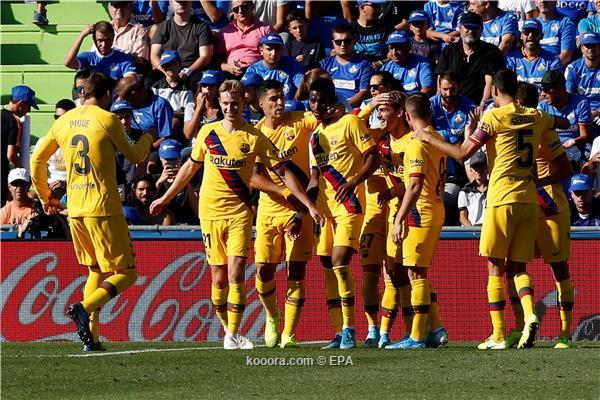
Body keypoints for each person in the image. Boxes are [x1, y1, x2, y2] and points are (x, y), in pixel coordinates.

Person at [149, 80, 322, 350]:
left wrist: (307, 204)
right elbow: (189, 169)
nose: (230, 108)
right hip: (210, 213)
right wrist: (165, 197)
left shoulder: (254, 136)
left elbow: (282, 171)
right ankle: (229, 330)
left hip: (240, 212)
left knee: (236, 271)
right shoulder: (208, 133)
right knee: (218, 278)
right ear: (219, 104)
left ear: (244, 103)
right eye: (226, 103)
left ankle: (233, 333)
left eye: (235, 103)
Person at [411, 70, 571, 350]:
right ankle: (529, 316)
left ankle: (498, 335)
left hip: (501, 199)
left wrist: (428, 138)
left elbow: (462, 154)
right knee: (518, 267)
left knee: (495, 267)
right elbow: (564, 121)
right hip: (528, 200)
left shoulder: (494, 117)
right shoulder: (536, 115)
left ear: (495, 91)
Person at [30, 72, 154, 351]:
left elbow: (37, 158)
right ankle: (84, 308)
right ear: (107, 94)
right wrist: (148, 137)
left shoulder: (63, 121)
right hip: (104, 208)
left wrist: (45, 196)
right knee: (127, 273)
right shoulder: (107, 119)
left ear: (82, 93)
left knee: (95, 270)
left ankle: (92, 339)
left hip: (75, 209)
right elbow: (135, 155)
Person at [307, 77, 381, 350]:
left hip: (349, 205)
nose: (316, 106)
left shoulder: (350, 123)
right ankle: (338, 331)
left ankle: (350, 328)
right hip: (325, 210)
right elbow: (315, 177)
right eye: (312, 100)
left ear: (332, 100)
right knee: (328, 267)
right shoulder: (316, 136)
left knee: (340, 261)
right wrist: (305, 207)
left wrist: (353, 182)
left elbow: (374, 156)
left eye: (321, 100)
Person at [505, 80, 575, 349]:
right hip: (524, 205)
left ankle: (565, 334)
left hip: (549, 207)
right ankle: (522, 327)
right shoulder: (510, 131)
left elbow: (566, 169)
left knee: (559, 269)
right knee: (514, 267)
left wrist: (538, 183)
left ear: (520, 103)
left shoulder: (545, 131)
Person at [250, 80, 320, 348]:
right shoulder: (256, 134)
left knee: (296, 270)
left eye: (282, 97)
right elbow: (253, 178)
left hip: (300, 209)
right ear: (261, 104)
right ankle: (272, 316)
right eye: (273, 99)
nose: (280, 103)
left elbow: (328, 116)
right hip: (270, 210)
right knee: (264, 270)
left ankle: (289, 333)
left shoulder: (300, 120)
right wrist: (284, 193)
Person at [386, 93, 447, 350]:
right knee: (419, 270)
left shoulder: (416, 143)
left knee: (415, 272)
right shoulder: (438, 137)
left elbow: (414, 185)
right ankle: (436, 329)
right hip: (436, 206)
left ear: (408, 117)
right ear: (430, 114)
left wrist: (399, 218)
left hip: (420, 210)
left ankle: (416, 336)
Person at [357, 90, 415, 348]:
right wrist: (370, 106)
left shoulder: (409, 140)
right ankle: (372, 328)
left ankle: (394, 331)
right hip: (372, 213)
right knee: (369, 274)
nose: (379, 114)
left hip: (396, 210)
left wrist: (393, 192)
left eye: (384, 108)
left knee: (395, 272)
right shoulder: (374, 135)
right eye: (378, 108)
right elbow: (352, 125)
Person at [430, 71, 477, 225]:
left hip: (462, 166)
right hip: (437, 165)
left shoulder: (469, 107)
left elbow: (471, 144)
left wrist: (444, 139)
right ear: (439, 87)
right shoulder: (431, 106)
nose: (449, 94)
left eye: (452, 89)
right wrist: (453, 141)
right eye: (445, 89)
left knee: (450, 200)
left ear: (459, 87)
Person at [435, 12, 505, 107]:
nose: (471, 31)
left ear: (481, 29)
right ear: (460, 28)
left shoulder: (492, 52)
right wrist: (439, 105)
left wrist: (482, 105)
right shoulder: (449, 50)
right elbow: (441, 80)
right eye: (467, 27)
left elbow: (490, 82)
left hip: (479, 106)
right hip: (451, 104)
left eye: (475, 28)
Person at [539, 70, 593, 168]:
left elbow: (584, 135)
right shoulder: (542, 107)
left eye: (546, 89)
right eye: (541, 89)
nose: (542, 94)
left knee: (588, 153)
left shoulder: (581, 103)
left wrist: (574, 141)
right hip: (551, 147)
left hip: (575, 145)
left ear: (560, 89)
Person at [215, 0, 275, 79]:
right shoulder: (225, 32)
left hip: (258, 72)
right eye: (236, 9)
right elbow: (217, 59)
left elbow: (273, 53)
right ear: (232, 11)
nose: (240, 11)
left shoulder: (266, 29)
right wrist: (227, 67)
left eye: (244, 7)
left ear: (252, 7)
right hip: (231, 73)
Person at [319, 24, 374, 108]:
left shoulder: (365, 65)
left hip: (352, 110)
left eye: (347, 41)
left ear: (354, 41)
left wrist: (343, 106)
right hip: (327, 107)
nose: (343, 44)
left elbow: (364, 92)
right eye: (338, 42)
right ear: (333, 43)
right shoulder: (324, 64)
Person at [2, 85, 38, 206]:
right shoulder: (14, 121)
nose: (29, 110)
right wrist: (23, 171)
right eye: (29, 106)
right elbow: (11, 154)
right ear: (21, 104)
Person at [64, 21, 137, 82]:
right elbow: (68, 63)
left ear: (113, 38)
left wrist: (119, 94)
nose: (104, 45)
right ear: (94, 39)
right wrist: (82, 35)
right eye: (100, 40)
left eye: (107, 40)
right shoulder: (88, 58)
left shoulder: (123, 57)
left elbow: (131, 79)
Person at [242, 33, 304, 101]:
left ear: (282, 50)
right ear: (261, 50)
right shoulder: (253, 70)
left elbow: (302, 84)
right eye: (269, 49)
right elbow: (249, 95)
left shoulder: (292, 64)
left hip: (288, 106)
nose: (273, 53)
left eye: (277, 49)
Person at [505, 18, 563, 89]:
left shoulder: (553, 60)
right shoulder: (511, 59)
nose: (530, 35)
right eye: (527, 32)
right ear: (521, 35)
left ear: (541, 36)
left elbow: (555, 90)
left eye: (535, 32)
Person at [381, 30, 435, 96]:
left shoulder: (422, 63)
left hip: (416, 100)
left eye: (398, 48)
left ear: (408, 47)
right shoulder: (385, 68)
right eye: (391, 48)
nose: (394, 52)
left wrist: (414, 101)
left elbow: (427, 88)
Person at [565, 32, 600, 126]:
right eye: (587, 46)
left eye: (594, 45)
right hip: (580, 113)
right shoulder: (572, 68)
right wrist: (584, 115)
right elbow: (568, 96)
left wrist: (597, 113)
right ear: (582, 48)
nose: (590, 49)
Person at [47, 99, 77, 201]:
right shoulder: (44, 142)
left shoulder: (80, 144)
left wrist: (65, 183)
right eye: (56, 117)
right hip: (49, 191)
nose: (59, 121)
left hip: (72, 191)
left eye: (63, 118)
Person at [183, 70, 224, 141]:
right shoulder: (191, 106)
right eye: (204, 85)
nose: (207, 88)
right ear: (200, 88)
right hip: (197, 145)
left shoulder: (224, 107)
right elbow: (188, 135)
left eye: (211, 85)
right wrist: (198, 108)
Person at [151, 50, 194, 115]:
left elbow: (188, 112)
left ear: (180, 65)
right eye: (167, 65)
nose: (171, 67)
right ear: (162, 68)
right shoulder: (155, 87)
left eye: (174, 63)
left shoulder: (186, 88)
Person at [351, 0, 393, 65]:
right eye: (375, 6)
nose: (379, 9)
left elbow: (396, 54)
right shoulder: (350, 29)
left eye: (379, 6)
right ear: (362, 8)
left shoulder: (386, 28)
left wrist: (381, 63)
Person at [535, 0, 576, 65]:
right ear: (535, 2)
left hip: (555, 69)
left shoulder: (566, 22)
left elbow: (566, 56)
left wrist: (547, 68)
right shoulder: (533, 24)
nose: (542, 1)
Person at [458, 151, 488, 226]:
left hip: (488, 228)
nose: (479, 170)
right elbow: (463, 217)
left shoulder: (494, 189)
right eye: (476, 168)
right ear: (471, 171)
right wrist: (472, 230)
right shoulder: (465, 191)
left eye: (481, 167)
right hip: (471, 228)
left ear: (487, 168)